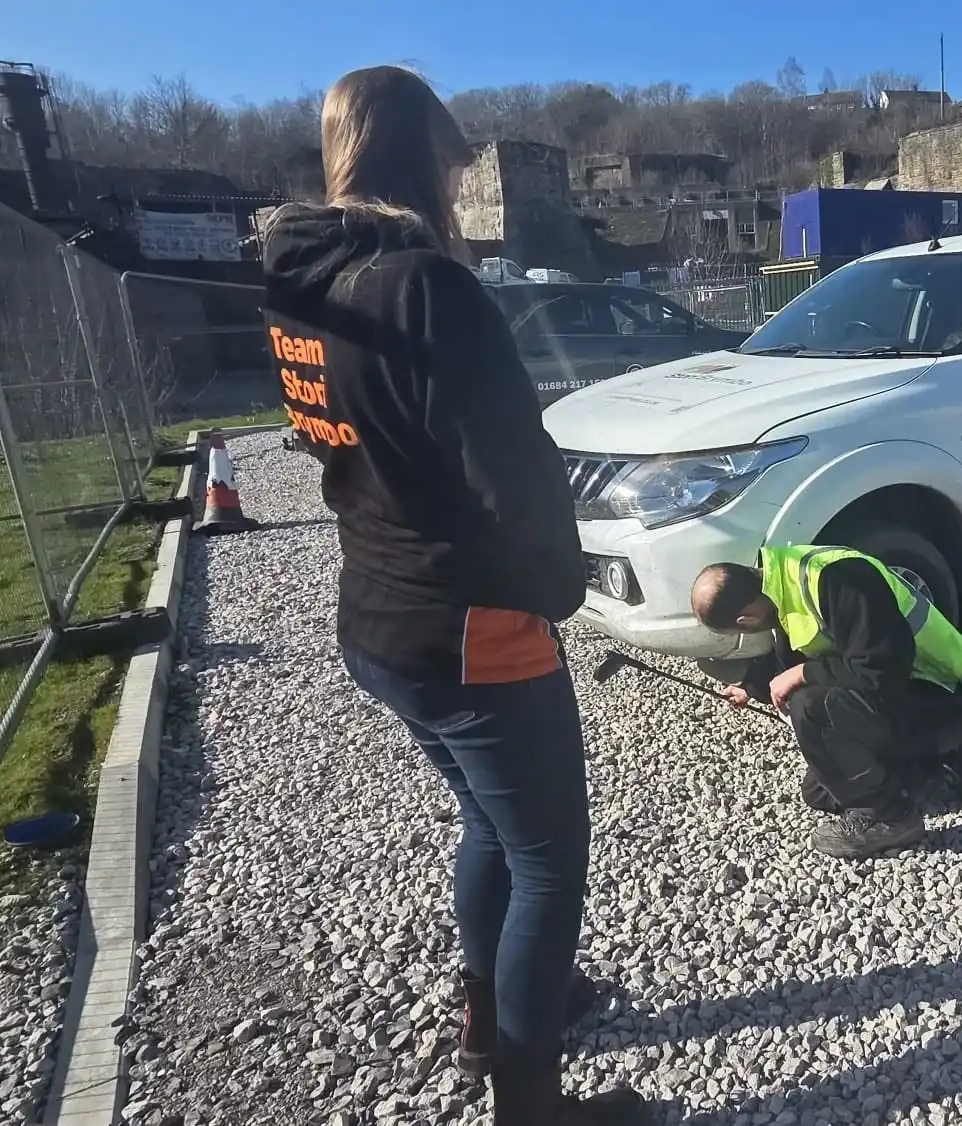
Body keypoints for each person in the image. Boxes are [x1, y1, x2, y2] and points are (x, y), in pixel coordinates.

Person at [259, 66, 644, 1124]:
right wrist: (557, 588)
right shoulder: (423, 287)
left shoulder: (295, 284)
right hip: (472, 627)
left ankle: (496, 1013)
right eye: (454, 162)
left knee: (488, 820)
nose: (459, 181)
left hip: (376, 619)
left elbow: (323, 438)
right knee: (549, 861)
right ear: (423, 159)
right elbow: (512, 471)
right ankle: (530, 1107)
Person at [690, 545, 962, 859]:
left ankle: (893, 815)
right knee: (822, 790)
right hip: (904, 696)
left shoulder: (839, 579)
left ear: (745, 619)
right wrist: (753, 686)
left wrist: (803, 673)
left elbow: (880, 671)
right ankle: (930, 763)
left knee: (809, 709)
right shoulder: (780, 582)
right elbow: (811, 655)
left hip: (944, 697)